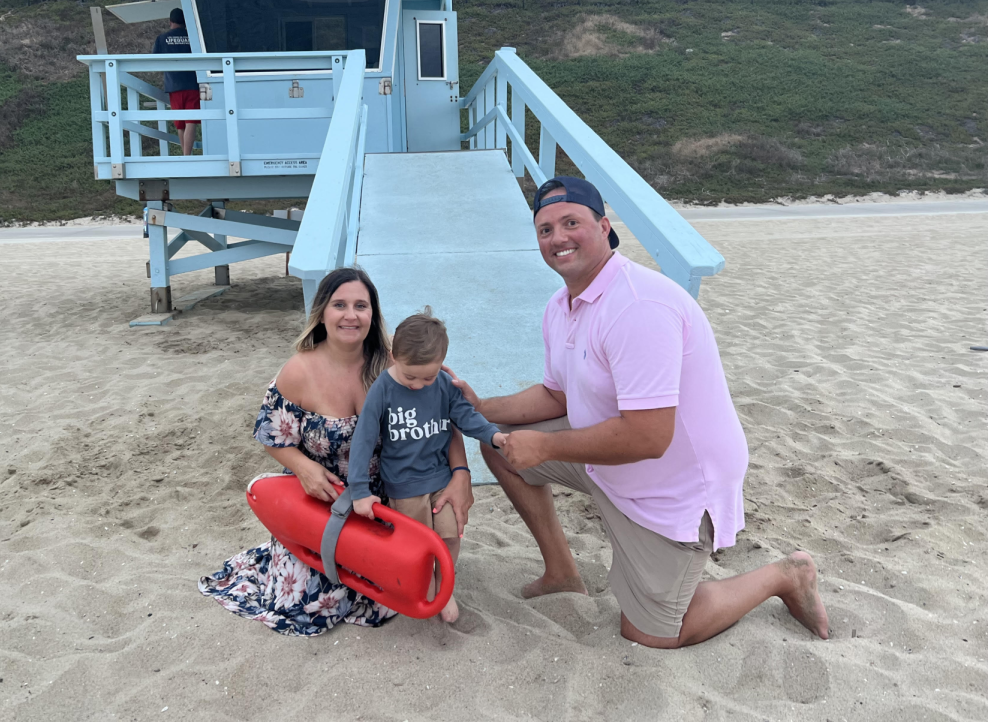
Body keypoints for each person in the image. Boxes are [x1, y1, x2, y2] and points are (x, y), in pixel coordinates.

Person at [449, 176, 830, 649]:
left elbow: (650, 437)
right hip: (612, 461)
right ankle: (562, 573)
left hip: (673, 482)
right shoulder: (561, 305)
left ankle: (785, 574)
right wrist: (481, 406)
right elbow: (557, 395)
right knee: (502, 443)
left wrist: (545, 444)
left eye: (572, 222)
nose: (558, 238)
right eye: (545, 229)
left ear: (605, 227)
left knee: (654, 634)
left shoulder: (637, 305)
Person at [198, 268, 476, 637]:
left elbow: (443, 424)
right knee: (304, 604)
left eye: (361, 305)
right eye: (339, 305)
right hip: (322, 500)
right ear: (322, 312)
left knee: (390, 595)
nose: (351, 315)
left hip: (389, 496)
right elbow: (270, 435)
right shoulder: (299, 371)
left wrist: (461, 474)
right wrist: (302, 468)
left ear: (372, 314)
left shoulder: (401, 365)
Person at [348, 309, 508, 623]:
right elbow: (363, 440)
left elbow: (465, 416)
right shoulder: (383, 388)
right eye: (411, 376)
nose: (420, 384)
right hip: (404, 483)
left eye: (428, 377)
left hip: (441, 478)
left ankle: (444, 587)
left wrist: (494, 436)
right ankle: (428, 583)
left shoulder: (444, 383)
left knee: (449, 535)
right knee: (418, 545)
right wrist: (359, 491)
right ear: (393, 356)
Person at [151, 7, 200, 157]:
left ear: (170, 22)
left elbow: (154, 61)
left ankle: (185, 156)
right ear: (186, 22)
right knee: (191, 120)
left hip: (174, 85)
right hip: (195, 84)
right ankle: (187, 155)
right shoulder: (194, 37)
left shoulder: (162, 38)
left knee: (180, 123)